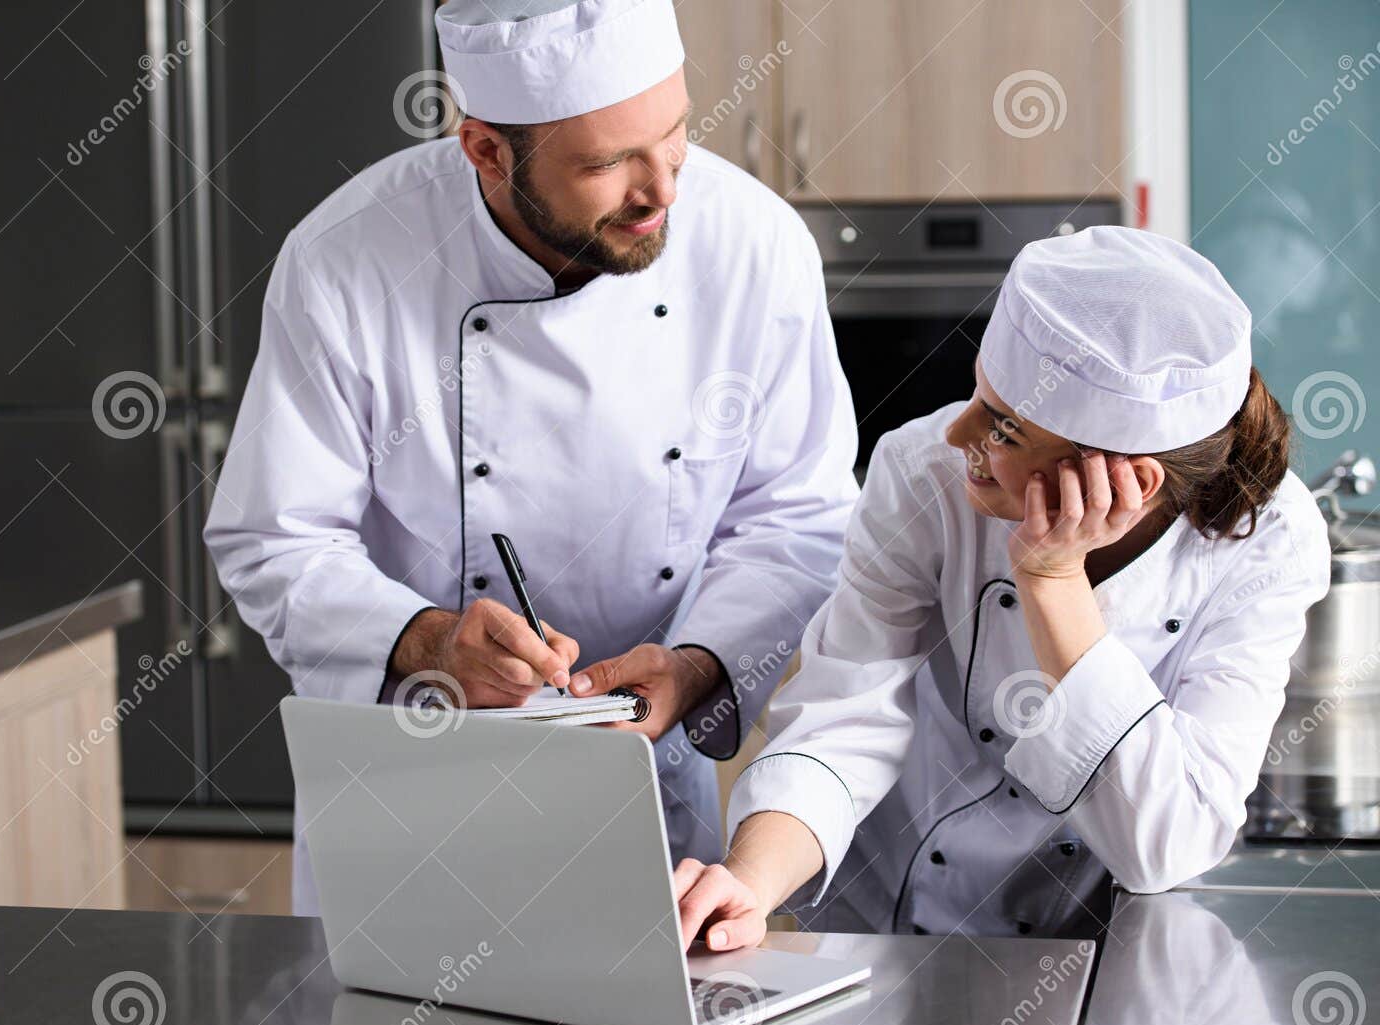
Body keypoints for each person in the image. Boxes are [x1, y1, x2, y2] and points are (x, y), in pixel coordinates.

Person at [204, 0, 858, 915]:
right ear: (485, 150)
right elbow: (274, 538)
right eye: (605, 163)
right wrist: (430, 643)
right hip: (415, 792)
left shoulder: (757, 247)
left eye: (673, 136)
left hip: (644, 790)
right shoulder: (347, 259)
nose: (662, 189)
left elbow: (797, 516)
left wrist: (697, 666)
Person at [672, 226, 1331, 947]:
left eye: (1005, 429)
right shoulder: (922, 474)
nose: (959, 436)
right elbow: (844, 716)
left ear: (1131, 482)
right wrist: (750, 882)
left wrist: (1052, 581)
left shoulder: (1271, 539)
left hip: (1096, 947)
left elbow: (1166, 845)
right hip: (888, 925)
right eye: (978, 394)